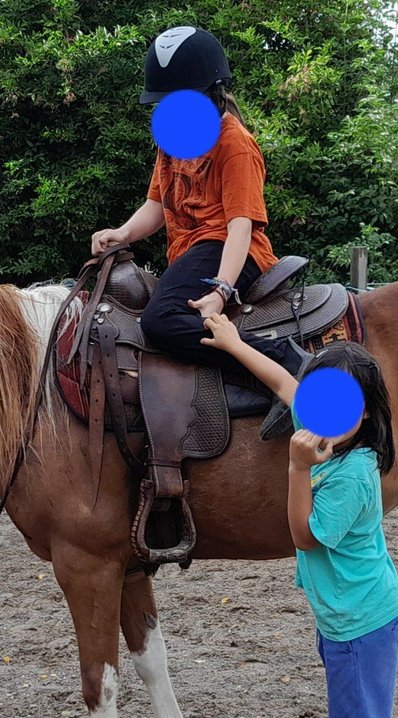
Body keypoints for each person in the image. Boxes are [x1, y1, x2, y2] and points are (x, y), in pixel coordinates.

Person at [201, 314, 398, 718]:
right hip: (344, 618)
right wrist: (237, 344)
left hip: (360, 623)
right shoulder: (326, 428)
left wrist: (295, 468)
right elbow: (283, 385)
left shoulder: (352, 475)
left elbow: (305, 535)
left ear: (362, 414)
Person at [90, 25, 307, 438]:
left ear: (211, 92)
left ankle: (279, 360)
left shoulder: (234, 144)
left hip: (230, 249)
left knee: (161, 321)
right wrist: (122, 232)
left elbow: (240, 225)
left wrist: (222, 289)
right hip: (191, 253)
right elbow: (157, 205)